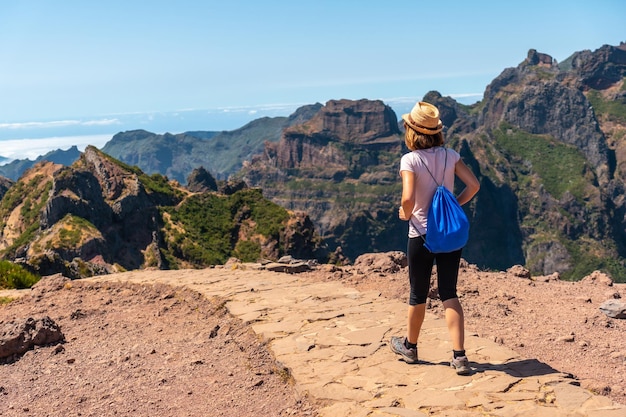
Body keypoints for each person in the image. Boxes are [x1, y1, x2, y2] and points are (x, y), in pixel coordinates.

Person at [389, 101, 480, 375]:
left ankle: (410, 347)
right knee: (449, 292)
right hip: (449, 234)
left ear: (412, 131)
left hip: (422, 234)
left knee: (418, 293)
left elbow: (407, 198)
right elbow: (474, 185)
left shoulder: (411, 159)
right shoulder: (451, 155)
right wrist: (453, 207)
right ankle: (460, 356)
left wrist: (406, 214)